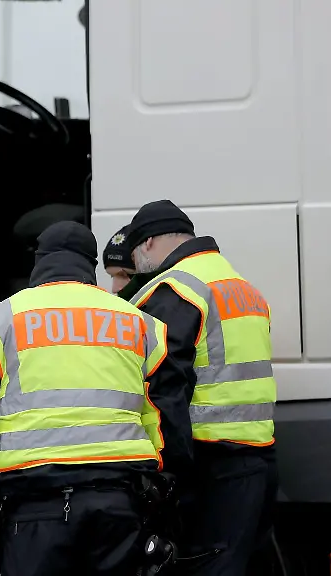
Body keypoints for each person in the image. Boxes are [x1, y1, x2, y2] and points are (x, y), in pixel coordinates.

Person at [0, 221, 193, 576]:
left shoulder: (1, 319)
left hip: (31, 504)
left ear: (40, 262)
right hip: (118, 501)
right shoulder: (139, 321)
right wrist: (164, 496)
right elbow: (169, 415)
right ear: (90, 265)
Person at [124, 200, 278, 576]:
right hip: (259, 457)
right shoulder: (242, 287)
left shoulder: (176, 289)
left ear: (147, 244)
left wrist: (168, 468)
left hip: (209, 464)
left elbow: (163, 386)